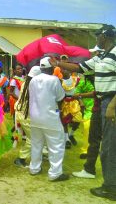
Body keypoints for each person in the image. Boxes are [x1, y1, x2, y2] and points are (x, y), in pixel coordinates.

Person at [49, 25, 116, 200]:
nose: (96, 38)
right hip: (100, 101)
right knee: (93, 138)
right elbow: (80, 67)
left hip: (111, 102)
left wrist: (112, 106)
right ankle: (89, 170)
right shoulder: (101, 55)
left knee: (109, 146)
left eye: (98, 35)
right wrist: (57, 63)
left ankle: (111, 187)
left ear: (106, 36)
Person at [29, 57, 68, 182]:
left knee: (36, 144)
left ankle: (34, 168)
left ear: (41, 68)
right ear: (52, 68)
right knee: (56, 145)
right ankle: (55, 173)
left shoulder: (33, 80)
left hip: (35, 117)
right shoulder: (54, 79)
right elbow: (60, 96)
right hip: (50, 117)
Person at [14, 66, 41, 168]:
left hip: (22, 113)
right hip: (25, 115)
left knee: (36, 137)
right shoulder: (33, 86)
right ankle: (21, 159)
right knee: (33, 138)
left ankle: (39, 155)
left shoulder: (26, 83)